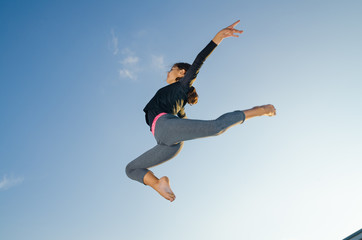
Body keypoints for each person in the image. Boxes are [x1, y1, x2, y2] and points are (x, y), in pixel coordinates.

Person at [125, 20, 276, 202]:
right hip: (167, 143)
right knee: (131, 169)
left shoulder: (181, 86)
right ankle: (158, 183)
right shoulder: (179, 105)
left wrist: (217, 38)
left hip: (166, 128)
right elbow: (184, 122)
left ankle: (258, 110)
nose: (167, 73)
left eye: (171, 69)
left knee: (216, 127)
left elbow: (199, 61)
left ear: (182, 73)